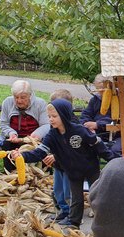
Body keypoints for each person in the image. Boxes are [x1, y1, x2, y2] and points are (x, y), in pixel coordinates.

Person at [10, 99, 115, 228]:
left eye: (54, 116)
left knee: (97, 195)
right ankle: (74, 223)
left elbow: (97, 143)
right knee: (76, 198)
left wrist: (112, 159)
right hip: (72, 171)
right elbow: (40, 152)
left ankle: (105, 221)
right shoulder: (52, 135)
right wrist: (22, 156)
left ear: (64, 115)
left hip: (90, 168)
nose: (51, 119)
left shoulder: (80, 130)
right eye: (49, 117)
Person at [0, 80, 50, 172]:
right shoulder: (7, 102)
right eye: (16, 97)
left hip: (35, 138)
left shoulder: (40, 104)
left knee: (45, 145)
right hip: (14, 139)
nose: (19, 100)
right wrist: (11, 133)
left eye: (23, 97)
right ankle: (11, 173)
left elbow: (46, 125)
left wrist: (35, 136)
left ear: (30, 95)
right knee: (7, 145)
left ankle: (41, 172)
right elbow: (3, 124)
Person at [44, 89, 74, 221]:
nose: (51, 116)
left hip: (70, 164)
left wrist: (56, 155)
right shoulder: (54, 125)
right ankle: (62, 210)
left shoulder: (74, 126)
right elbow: (52, 142)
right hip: (58, 164)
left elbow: (72, 147)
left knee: (69, 191)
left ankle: (71, 213)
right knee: (58, 190)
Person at [80, 74, 122, 158]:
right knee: (82, 145)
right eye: (98, 89)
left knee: (115, 151)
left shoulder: (122, 99)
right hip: (97, 134)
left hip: (118, 135)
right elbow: (86, 114)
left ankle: (113, 169)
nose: (100, 93)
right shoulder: (95, 99)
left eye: (102, 90)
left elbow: (117, 119)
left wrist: (97, 125)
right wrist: (85, 124)